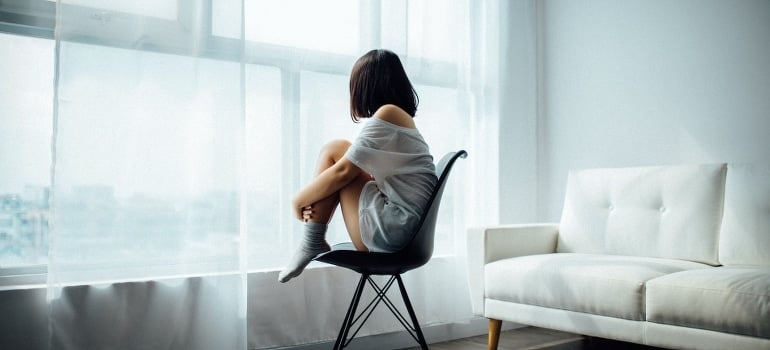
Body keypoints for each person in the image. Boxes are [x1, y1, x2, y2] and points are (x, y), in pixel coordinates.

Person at [278, 49, 437, 283]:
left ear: (366, 85)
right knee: (339, 149)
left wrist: (297, 200)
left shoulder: (389, 113)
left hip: (395, 233)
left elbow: (344, 172)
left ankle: (311, 240)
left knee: (335, 152)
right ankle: (312, 240)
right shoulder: (398, 118)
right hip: (403, 231)